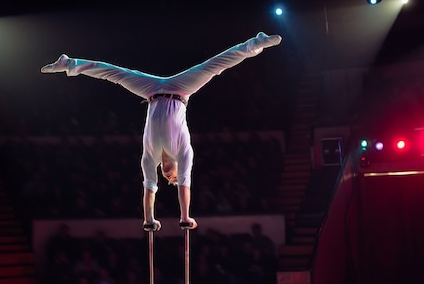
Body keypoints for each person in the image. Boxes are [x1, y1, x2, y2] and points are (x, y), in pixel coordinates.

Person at [41, 32, 282, 231]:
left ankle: (69, 64)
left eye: (168, 178)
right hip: (180, 90)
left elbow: (149, 189)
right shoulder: (185, 153)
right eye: (174, 177)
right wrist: (185, 217)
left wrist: (149, 220)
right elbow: (185, 186)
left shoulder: (149, 158)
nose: (170, 177)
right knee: (212, 67)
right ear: (177, 169)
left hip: (151, 92)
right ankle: (255, 44)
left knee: (115, 74)